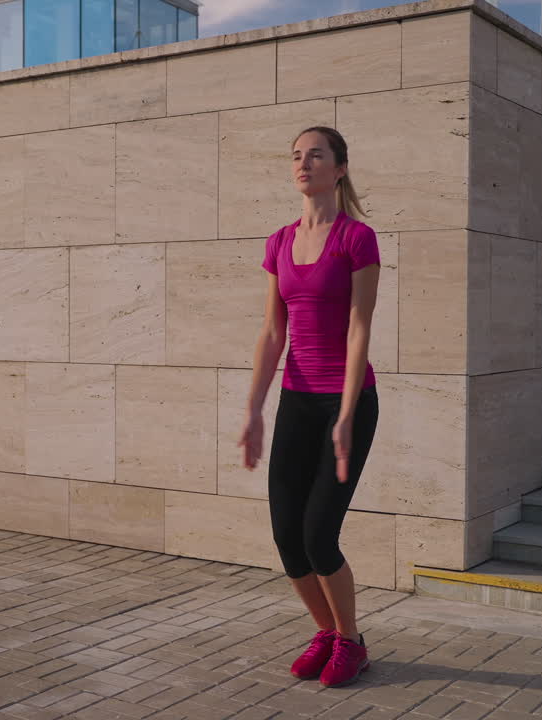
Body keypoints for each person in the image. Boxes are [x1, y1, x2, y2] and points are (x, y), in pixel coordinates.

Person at [238, 126, 381, 689]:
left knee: (320, 533)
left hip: (348, 402)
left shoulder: (357, 238)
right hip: (297, 403)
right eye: (296, 155)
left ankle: (351, 641)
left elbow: (358, 328)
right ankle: (327, 630)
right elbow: (273, 333)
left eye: (315, 154)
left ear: (339, 168)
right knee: (285, 534)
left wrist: (346, 413)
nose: (303, 163)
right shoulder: (278, 242)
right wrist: (253, 408)